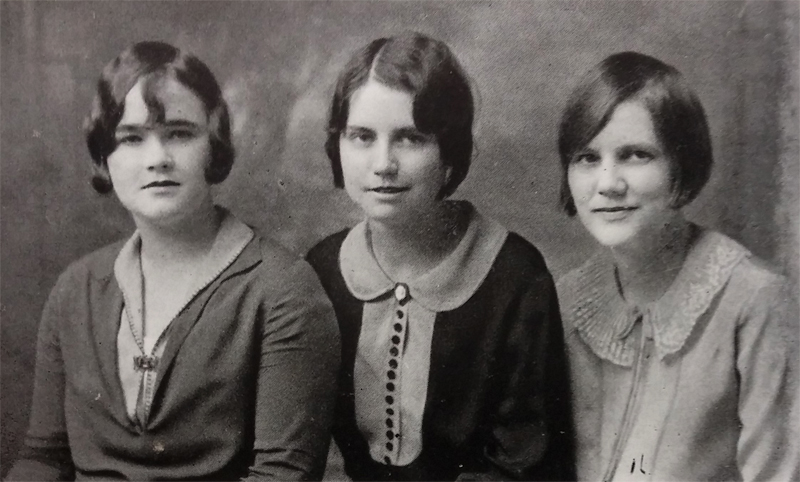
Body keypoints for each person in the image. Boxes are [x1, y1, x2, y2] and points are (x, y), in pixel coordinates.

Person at [7, 41, 340, 481]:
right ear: (105, 155)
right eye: (131, 138)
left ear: (214, 144)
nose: (157, 159)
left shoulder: (281, 290)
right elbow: (44, 458)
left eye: (180, 133)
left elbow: (282, 475)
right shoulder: (77, 288)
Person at [305, 32, 575, 481]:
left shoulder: (514, 275)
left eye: (410, 138)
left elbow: (524, 460)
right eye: (362, 137)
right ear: (338, 145)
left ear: (449, 151)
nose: (383, 163)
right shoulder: (323, 268)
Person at [555, 51, 799, 481]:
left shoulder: (755, 299)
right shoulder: (567, 300)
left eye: (636, 155)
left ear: (681, 169)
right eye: (588, 158)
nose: (608, 183)